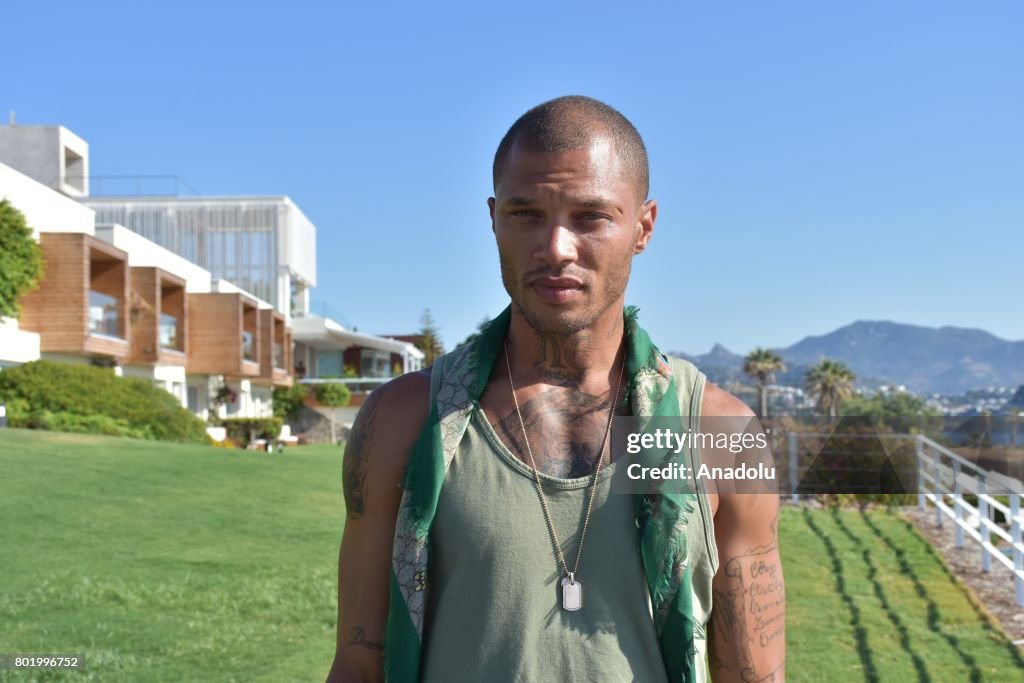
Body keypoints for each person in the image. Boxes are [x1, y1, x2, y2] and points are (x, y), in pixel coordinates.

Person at [326, 96, 785, 682]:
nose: (556, 248)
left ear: (642, 227)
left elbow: (755, 674)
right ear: (493, 219)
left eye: (591, 216)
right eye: (526, 214)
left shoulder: (719, 435)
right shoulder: (405, 420)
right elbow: (361, 662)